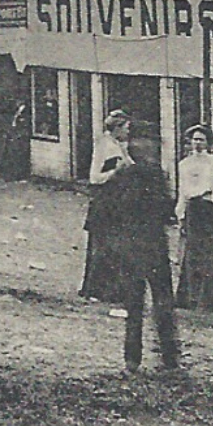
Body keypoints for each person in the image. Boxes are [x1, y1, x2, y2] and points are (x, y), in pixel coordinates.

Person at [111, 143, 180, 372]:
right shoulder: (158, 179)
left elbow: (113, 210)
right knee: (163, 301)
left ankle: (132, 358)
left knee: (133, 305)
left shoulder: (123, 178)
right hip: (155, 246)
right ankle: (169, 355)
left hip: (130, 246)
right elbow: (168, 212)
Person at [174, 126, 213, 313]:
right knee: (193, 252)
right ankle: (191, 298)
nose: (198, 143)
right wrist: (180, 213)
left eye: (201, 139)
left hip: (209, 209)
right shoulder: (183, 164)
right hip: (193, 209)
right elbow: (182, 190)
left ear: (208, 142)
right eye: (195, 139)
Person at [79, 111, 137, 303]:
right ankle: (96, 289)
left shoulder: (117, 145)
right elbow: (95, 177)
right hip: (105, 201)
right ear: (117, 128)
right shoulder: (105, 146)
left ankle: (112, 289)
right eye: (126, 128)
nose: (128, 131)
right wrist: (115, 172)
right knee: (103, 245)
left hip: (118, 201)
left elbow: (130, 166)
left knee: (116, 245)